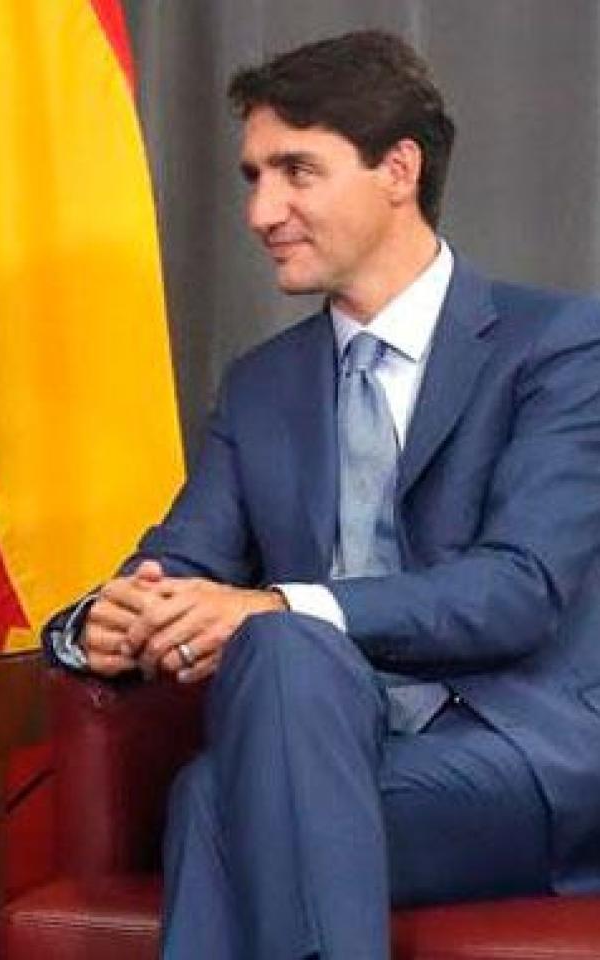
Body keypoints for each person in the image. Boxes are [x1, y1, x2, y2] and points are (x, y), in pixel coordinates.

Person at [43, 30, 600, 959]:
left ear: (399, 169)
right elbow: (177, 560)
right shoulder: (262, 386)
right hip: (319, 733)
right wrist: (102, 621)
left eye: (297, 171)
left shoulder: (558, 348)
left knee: (220, 788)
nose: (263, 211)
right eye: (253, 176)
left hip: (515, 758)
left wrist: (276, 606)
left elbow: (518, 591)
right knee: (285, 671)